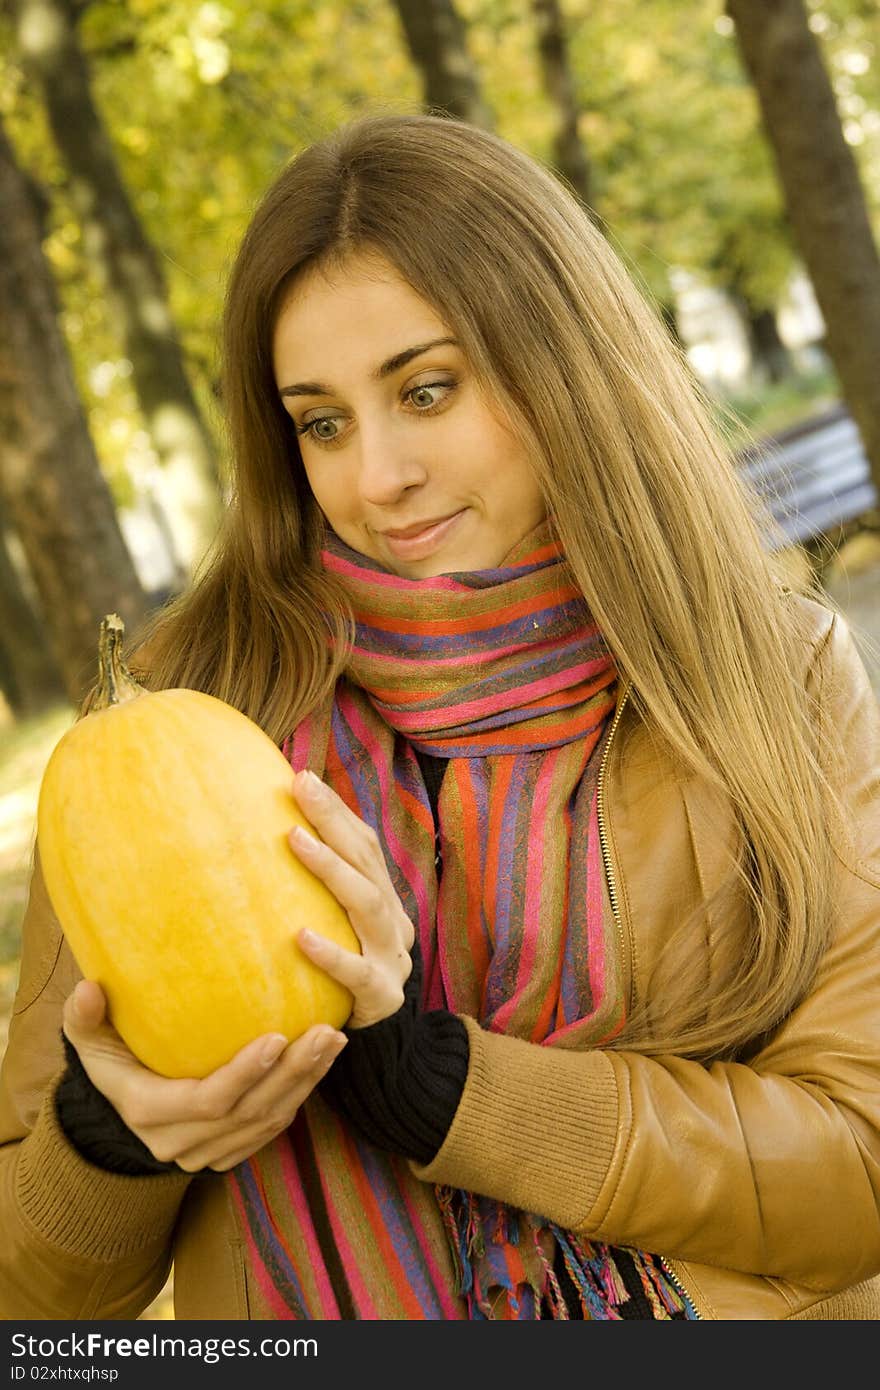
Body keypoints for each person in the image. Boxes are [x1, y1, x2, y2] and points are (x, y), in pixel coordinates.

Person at [2, 110, 879, 1323]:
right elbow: (30, 1303)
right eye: (321, 421)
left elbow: (857, 1169)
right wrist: (107, 1145)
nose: (376, 477)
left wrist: (449, 1088)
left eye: (426, 389)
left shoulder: (774, 676)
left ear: (559, 362)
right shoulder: (172, 718)